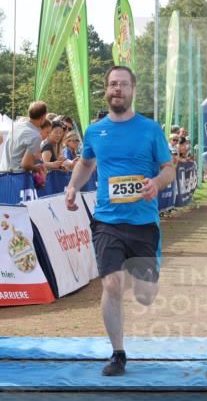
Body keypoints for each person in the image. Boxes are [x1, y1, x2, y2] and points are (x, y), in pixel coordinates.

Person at [65, 66, 175, 376]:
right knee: (112, 285)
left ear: (133, 90)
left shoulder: (150, 129)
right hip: (107, 221)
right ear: (106, 90)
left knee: (144, 294)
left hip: (143, 223)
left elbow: (168, 167)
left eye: (123, 85)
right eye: (112, 84)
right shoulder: (95, 130)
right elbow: (86, 163)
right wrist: (74, 185)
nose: (117, 89)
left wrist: (157, 182)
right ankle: (118, 353)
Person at [1, 101, 48, 172]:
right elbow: (26, 164)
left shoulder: (16, 125)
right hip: (16, 177)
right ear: (43, 117)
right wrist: (38, 168)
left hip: (2, 173)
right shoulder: (35, 136)